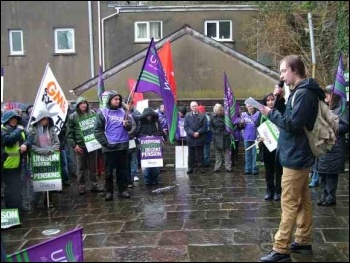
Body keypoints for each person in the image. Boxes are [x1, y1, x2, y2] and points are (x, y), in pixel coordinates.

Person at [259, 55, 325, 262]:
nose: (281, 76)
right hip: (295, 154)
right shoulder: (298, 93)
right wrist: (277, 103)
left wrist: (270, 112)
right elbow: (287, 118)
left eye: (283, 71)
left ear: (295, 70)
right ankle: (303, 240)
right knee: (303, 199)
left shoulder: (304, 94)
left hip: (296, 156)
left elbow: (294, 124)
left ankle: (281, 249)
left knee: (288, 202)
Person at [94, 92, 132, 200]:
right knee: (108, 171)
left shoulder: (123, 111)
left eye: (119, 99)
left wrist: (127, 125)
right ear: (110, 100)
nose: (118, 101)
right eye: (115, 99)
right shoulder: (103, 112)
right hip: (109, 147)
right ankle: (109, 191)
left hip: (122, 145)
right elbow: (97, 131)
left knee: (122, 170)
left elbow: (130, 127)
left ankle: (122, 190)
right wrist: (106, 144)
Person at [315, 84, 349, 206]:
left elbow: (344, 126)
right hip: (323, 146)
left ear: (333, 96)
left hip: (335, 147)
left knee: (331, 174)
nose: (325, 96)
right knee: (322, 173)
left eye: (327, 94)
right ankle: (324, 195)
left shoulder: (342, 109)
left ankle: (330, 196)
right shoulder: (324, 108)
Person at [67, 97, 101, 194]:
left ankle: (94, 185)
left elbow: (98, 128)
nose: (83, 105)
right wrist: (74, 145)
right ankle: (82, 187)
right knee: (80, 168)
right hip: (80, 146)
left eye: (85, 103)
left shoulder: (93, 114)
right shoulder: (73, 117)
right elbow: (69, 133)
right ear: (78, 105)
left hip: (92, 145)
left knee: (93, 167)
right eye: (81, 103)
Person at [28, 109, 60, 208]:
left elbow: (57, 143)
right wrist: (44, 151)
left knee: (50, 179)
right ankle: (34, 201)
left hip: (51, 158)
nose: (45, 121)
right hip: (37, 158)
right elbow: (30, 145)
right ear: (39, 119)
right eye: (43, 119)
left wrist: (51, 150)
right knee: (38, 179)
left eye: (47, 119)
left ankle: (48, 200)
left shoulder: (51, 129)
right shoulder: (32, 130)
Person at [1, 109, 32, 213]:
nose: (14, 121)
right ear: (7, 120)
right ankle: (11, 209)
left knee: (18, 186)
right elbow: (8, 140)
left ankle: (19, 206)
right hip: (7, 164)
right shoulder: (3, 129)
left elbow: (28, 138)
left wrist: (25, 144)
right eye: (12, 119)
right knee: (9, 188)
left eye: (16, 119)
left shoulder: (20, 129)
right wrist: (18, 130)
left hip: (20, 163)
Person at [258, 93, 283, 201]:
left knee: (278, 170)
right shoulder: (262, 114)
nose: (270, 102)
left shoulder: (279, 112)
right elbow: (258, 128)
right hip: (267, 145)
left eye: (272, 99)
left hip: (279, 146)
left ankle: (278, 191)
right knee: (268, 170)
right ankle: (269, 190)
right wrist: (259, 136)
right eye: (268, 100)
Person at [135, 107, 164, 185]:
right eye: (148, 116)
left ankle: (155, 180)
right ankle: (147, 181)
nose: (149, 117)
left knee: (156, 164)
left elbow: (161, 132)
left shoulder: (157, 122)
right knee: (146, 165)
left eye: (150, 116)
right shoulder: (141, 122)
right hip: (145, 146)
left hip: (155, 145)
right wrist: (146, 136)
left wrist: (153, 136)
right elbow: (137, 133)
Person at [184, 101, 207, 174]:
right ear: (191, 108)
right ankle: (190, 168)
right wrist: (192, 133)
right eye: (193, 106)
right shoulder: (187, 116)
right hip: (191, 138)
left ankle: (201, 167)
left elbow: (205, 126)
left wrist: (198, 132)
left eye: (196, 106)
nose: (195, 107)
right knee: (191, 155)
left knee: (201, 154)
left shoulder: (203, 115)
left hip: (200, 137)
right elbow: (186, 127)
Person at [210, 103, 232, 172]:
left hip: (225, 136)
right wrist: (214, 132)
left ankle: (228, 167)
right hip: (217, 136)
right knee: (218, 153)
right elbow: (210, 126)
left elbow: (229, 124)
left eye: (221, 109)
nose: (221, 111)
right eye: (219, 110)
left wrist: (227, 132)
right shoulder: (212, 117)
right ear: (216, 111)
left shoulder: (226, 116)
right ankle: (217, 167)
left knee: (227, 153)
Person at [240, 103, 260, 175]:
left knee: (255, 154)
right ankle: (248, 169)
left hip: (256, 137)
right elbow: (241, 127)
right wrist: (241, 123)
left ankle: (255, 169)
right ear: (246, 107)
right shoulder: (244, 115)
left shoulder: (258, 114)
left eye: (251, 105)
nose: (250, 107)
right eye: (248, 106)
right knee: (247, 154)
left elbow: (259, 124)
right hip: (247, 137)